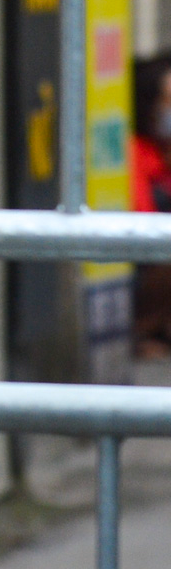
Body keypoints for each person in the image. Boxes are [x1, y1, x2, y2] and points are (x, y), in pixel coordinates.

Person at [132, 55, 171, 355]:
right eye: (167, 102)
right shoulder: (135, 153)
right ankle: (142, 331)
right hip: (143, 267)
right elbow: (143, 228)